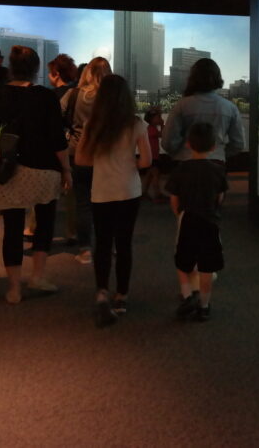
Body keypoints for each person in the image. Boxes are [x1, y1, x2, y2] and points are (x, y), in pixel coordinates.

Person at [0, 46, 71, 304]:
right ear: (37, 68)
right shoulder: (45, 97)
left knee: (13, 227)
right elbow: (57, 140)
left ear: (10, 67)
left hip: (8, 170)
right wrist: (67, 170)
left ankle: (14, 288)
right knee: (45, 222)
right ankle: (38, 276)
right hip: (43, 170)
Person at [74, 74, 151, 327]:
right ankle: (122, 296)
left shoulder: (92, 125)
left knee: (103, 243)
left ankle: (101, 291)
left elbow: (81, 160)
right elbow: (147, 161)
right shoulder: (136, 124)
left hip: (102, 192)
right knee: (124, 244)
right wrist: (131, 163)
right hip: (128, 190)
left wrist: (101, 160)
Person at [166, 123, 228, 322]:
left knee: (182, 261)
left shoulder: (181, 169)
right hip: (210, 221)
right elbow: (220, 197)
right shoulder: (218, 170)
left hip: (187, 219)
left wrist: (179, 214)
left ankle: (187, 296)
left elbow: (174, 198)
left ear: (188, 144)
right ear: (212, 147)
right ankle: (204, 306)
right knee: (207, 267)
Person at [60, 57, 111, 263]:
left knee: (83, 204)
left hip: (77, 153)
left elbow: (57, 115)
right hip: (106, 155)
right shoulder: (110, 96)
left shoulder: (73, 94)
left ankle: (85, 250)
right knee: (107, 203)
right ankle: (108, 246)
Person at [163, 58, 246, 167]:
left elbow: (168, 143)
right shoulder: (230, 107)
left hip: (185, 164)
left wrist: (180, 153)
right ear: (218, 78)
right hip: (217, 164)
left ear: (192, 78)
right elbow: (238, 143)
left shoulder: (182, 105)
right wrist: (219, 153)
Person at [141, 107, 168, 202]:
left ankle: (144, 193)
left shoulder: (150, 128)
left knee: (149, 175)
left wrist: (161, 124)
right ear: (151, 118)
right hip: (152, 156)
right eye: (158, 117)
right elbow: (163, 134)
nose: (160, 119)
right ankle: (157, 194)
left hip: (153, 156)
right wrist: (162, 125)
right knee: (156, 174)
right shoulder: (150, 129)